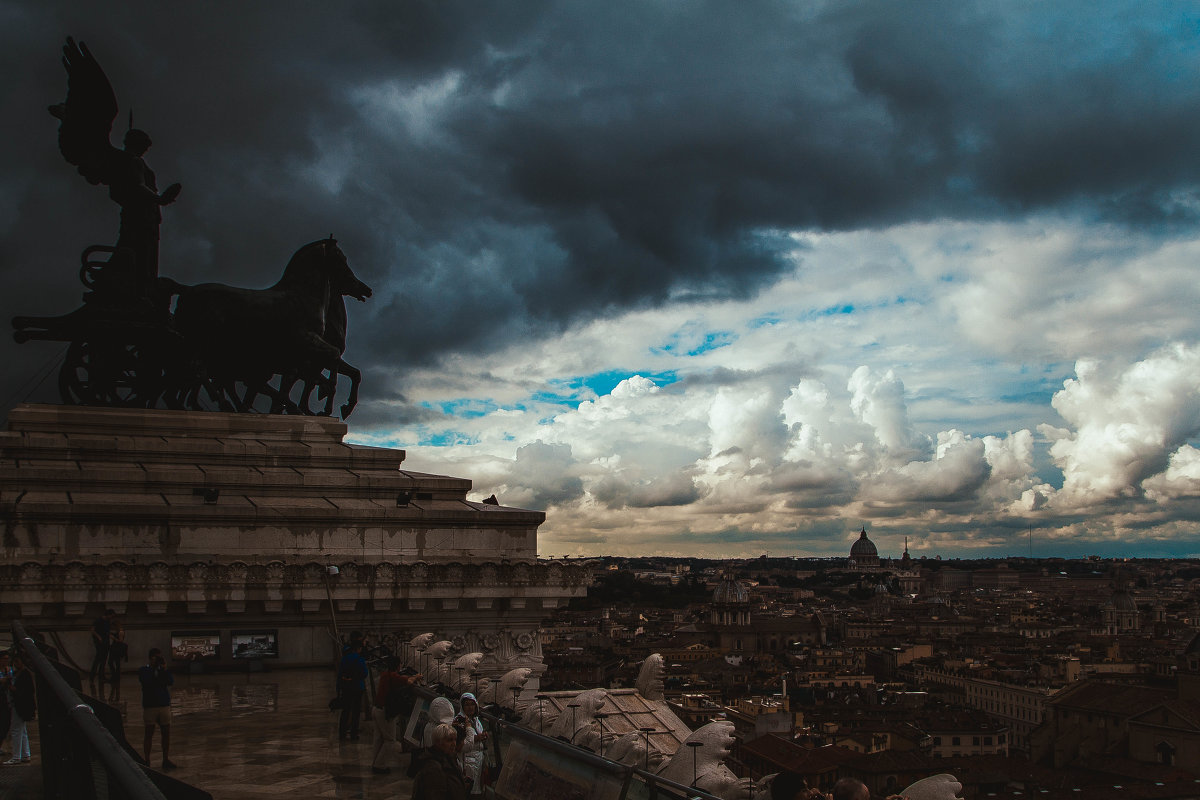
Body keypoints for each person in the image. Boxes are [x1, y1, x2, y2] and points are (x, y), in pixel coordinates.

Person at [370, 658, 420, 774]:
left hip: (376, 708)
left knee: (378, 738)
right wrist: (417, 677)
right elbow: (409, 681)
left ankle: (376, 763)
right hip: (385, 712)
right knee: (390, 740)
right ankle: (380, 765)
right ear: (398, 666)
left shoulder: (384, 675)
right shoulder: (392, 676)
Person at [138, 648, 176, 770]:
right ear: (150, 658)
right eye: (155, 657)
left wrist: (164, 669)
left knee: (166, 733)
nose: (157, 660)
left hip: (163, 704)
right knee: (149, 733)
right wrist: (155, 670)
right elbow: (147, 682)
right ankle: (147, 760)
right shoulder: (144, 670)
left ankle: (165, 759)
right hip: (151, 705)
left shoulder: (162, 670)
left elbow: (170, 681)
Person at [410, 723, 467, 800]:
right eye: (449, 740)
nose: (454, 744)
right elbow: (434, 795)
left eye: (455, 740)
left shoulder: (450, 759)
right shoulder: (433, 766)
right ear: (438, 742)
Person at [455, 692, 488, 795]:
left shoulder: (476, 720)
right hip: (467, 760)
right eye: (467, 704)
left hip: (478, 759)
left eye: (472, 704)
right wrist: (477, 738)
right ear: (462, 706)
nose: (470, 707)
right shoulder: (459, 721)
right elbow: (459, 742)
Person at [4, 654, 34, 765]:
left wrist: (14, 690)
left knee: (16, 730)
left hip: (19, 706)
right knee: (22, 730)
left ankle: (16, 756)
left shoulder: (24, 675)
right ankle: (25, 754)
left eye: (17, 661)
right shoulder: (19, 674)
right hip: (19, 705)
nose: (16, 664)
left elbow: (27, 691)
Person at [337, 638, 368, 740]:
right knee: (356, 711)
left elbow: (340, 673)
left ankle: (342, 733)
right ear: (358, 648)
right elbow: (365, 673)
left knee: (345, 710)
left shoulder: (345, 658)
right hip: (357, 687)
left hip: (346, 687)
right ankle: (353, 734)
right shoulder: (360, 659)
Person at [90, 609, 115, 684]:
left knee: (104, 660)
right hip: (99, 643)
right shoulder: (99, 620)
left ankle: (101, 676)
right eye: (111, 616)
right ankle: (92, 676)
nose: (112, 617)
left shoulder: (108, 621)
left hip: (106, 642)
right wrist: (98, 637)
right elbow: (92, 630)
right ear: (108, 614)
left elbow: (107, 632)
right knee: (98, 659)